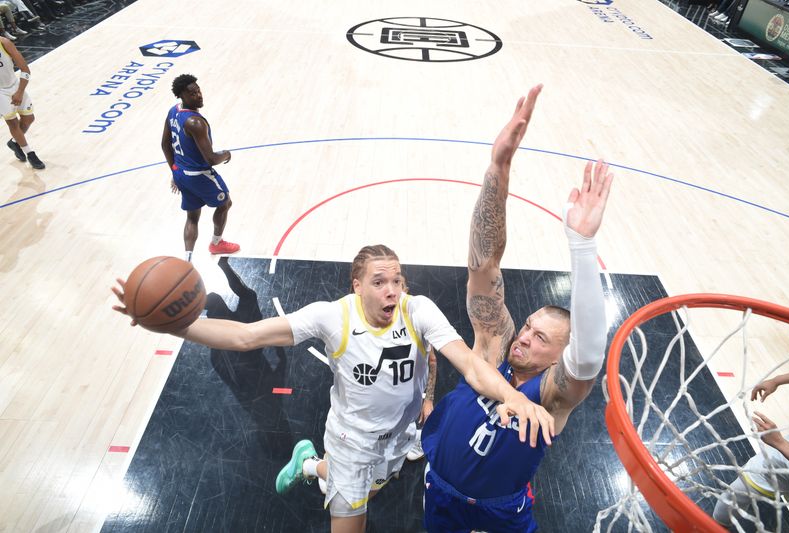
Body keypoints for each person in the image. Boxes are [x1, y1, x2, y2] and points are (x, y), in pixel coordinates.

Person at [112, 244, 553, 533]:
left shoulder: (418, 310)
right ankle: (320, 465)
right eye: (380, 282)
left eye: (397, 280)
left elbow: (471, 366)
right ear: (357, 285)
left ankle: (307, 466)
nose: (392, 290)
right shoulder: (331, 316)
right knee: (352, 508)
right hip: (351, 443)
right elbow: (247, 336)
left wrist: (513, 396)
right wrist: (180, 327)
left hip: (399, 439)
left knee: (377, 487)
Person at [421, 84, 613, 533]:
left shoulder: (554, 393)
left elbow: (588, 355)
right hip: (442, 491)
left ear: (558, 356)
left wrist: (581, 244)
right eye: (528, 327)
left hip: (499, 512)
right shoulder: (494, 346)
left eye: (540, 337)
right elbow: (484, 264)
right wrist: (499, 166)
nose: (524, 337)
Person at [161, 74, 239, 261]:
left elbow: (165, 144)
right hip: (199, 175)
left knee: (192, 216)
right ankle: (217, 243)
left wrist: (174, 170)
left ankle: (187, 260)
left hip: (181, 174)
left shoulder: (173, 111)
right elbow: (211, 159)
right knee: (225, 203)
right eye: (192, 93)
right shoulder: (195, 122)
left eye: (198, 90)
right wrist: (226, 154)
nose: (199, 95)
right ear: (182, 95)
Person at [712, 369, 789, 526]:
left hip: (788, 449)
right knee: (736, 494)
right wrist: (777, 380)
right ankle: (712, 528)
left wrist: (780, 443)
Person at [1, 35, 44, 169]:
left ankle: (14, 142)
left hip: (15, 85)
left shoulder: (4, 42)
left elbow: (25, 69)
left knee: (29, 118)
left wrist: (19, 91)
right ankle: (30, 153)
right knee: (13, 123)